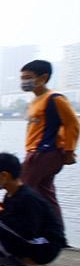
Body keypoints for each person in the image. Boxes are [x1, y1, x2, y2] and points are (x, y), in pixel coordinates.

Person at [0, 152, 66, 266]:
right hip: (37, 241)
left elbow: (27, 231)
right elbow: (14, 215)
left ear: (4, 175)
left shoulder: (28, 197)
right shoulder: (13, 193)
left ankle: (23, 259)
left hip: (45, 247)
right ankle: (9, 252)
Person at [19, 60, 79, 227]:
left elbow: (72, 123)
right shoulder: (35, 101)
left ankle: (19, 236)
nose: (24, 81)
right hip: (36, 152)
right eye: (22, 78)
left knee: (21, 191)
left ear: (43, 78)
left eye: (28, 77)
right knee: (46, 194)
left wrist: (69, 151)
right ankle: (57, 235)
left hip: (43, 153)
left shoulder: (55, 99)